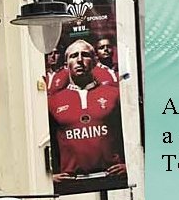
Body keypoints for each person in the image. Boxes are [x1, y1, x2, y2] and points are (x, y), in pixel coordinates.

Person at [48, 40, 127, 190]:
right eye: (73, 56)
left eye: (85, 55)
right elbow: (44, 141)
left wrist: (129, 164)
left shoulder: (114, 94)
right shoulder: (53, 101)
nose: (79, 60)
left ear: (95, 61)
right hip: (71, 183)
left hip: (111, 178)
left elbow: (131, 131)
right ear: (66, 65)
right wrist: (48, 175)